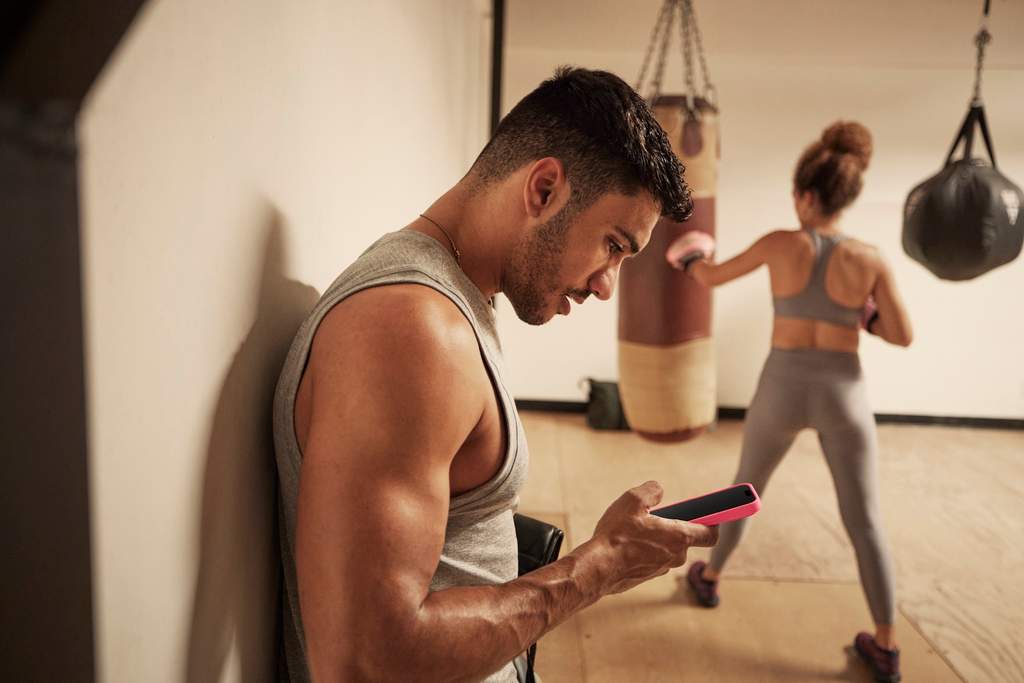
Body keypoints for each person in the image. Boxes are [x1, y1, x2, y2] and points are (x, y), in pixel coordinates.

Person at [272, 66, 719, 683]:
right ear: (543, 190)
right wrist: (597, 567)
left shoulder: (452, 294)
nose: (606, 284)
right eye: (613, 244)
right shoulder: (412, 330)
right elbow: (363, 662)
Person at [667, 121, 913, 683]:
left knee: (744, 491)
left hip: (782, 386)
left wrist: (689, 256)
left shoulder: (780, 244)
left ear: (805, 194)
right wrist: (865, 315)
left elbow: (709, 277)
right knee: (866, 521)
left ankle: (710, 578)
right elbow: (903, 335)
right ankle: (887, 643)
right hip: (843, 392)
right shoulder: (869, 259)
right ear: (846, 197)